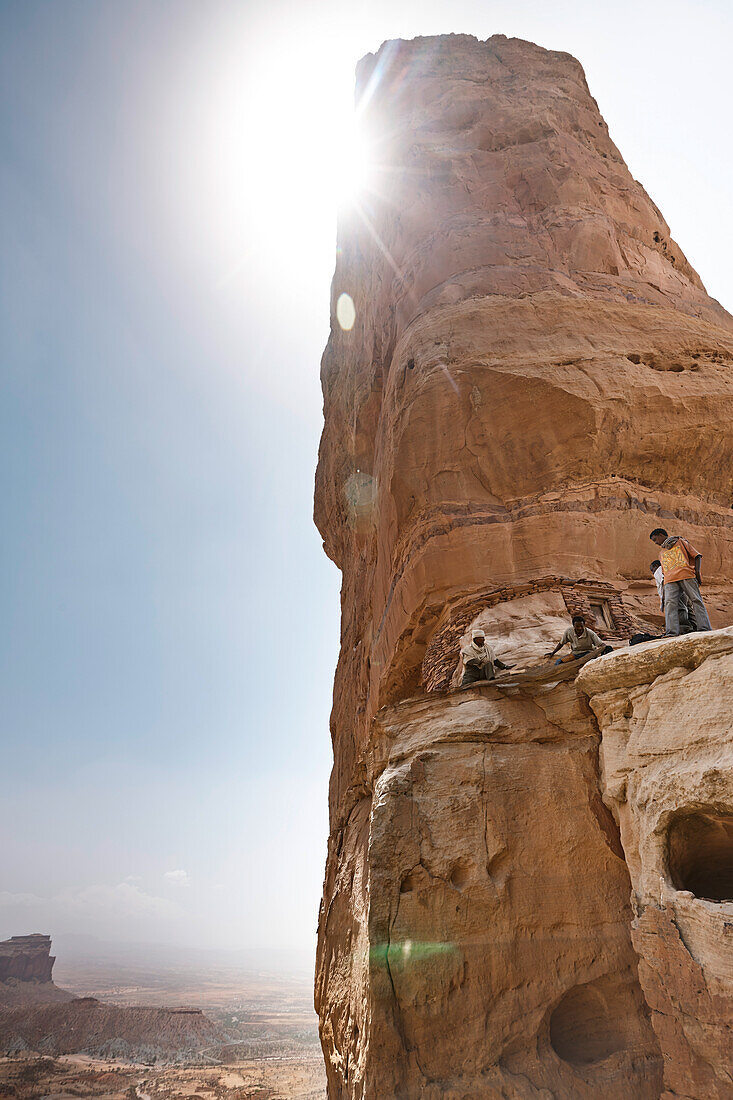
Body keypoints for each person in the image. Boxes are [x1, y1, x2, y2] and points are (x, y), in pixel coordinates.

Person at [649, 528, 711, 635]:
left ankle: (704, 627)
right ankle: (671, 632)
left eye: (655, 539)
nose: (655, 543)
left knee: (696, 600)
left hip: (686, 575)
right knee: (670, 605)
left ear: (661, 535)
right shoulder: (662, 552)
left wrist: (697, 573)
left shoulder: (680, 542)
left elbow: (697, 556)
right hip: (670, 580)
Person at [545, 615, 613, 664]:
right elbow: (561, 643)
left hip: (588, 653)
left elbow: (600, 644)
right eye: (577, 626)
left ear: (584, 625)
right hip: (576, 653)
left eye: (581, 626)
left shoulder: (590, 633)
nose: (580, 628)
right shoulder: (569, 631)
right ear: (573, 626)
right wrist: (553, 653)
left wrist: (605, 648)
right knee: (558, 662)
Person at [650, 559, 695, 632]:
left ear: (656, 566)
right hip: (683, 588)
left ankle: (685, 628)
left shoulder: (659, 570)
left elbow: (663, 582)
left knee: (680, 609)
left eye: (652, 570)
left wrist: (665, 597)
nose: (653, 573)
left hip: (673, 591)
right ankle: (694, 627)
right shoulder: (669, 568)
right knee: (689, 608)